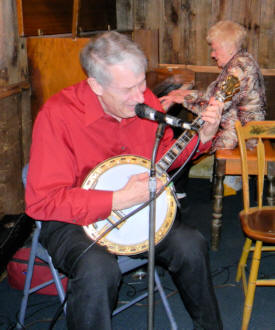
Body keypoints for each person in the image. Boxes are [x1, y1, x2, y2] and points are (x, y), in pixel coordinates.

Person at [25, 31, 224, 330]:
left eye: (142, 84)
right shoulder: (57, 116)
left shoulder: (144, 101)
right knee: (98, 269)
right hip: (72, 221)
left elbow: (166, 159)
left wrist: (203, 139)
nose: (140, 96)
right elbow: (42, 202)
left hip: (138, 209)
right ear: (96, 85)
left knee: (191, 244)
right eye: (128, 89)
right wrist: (117, 199)